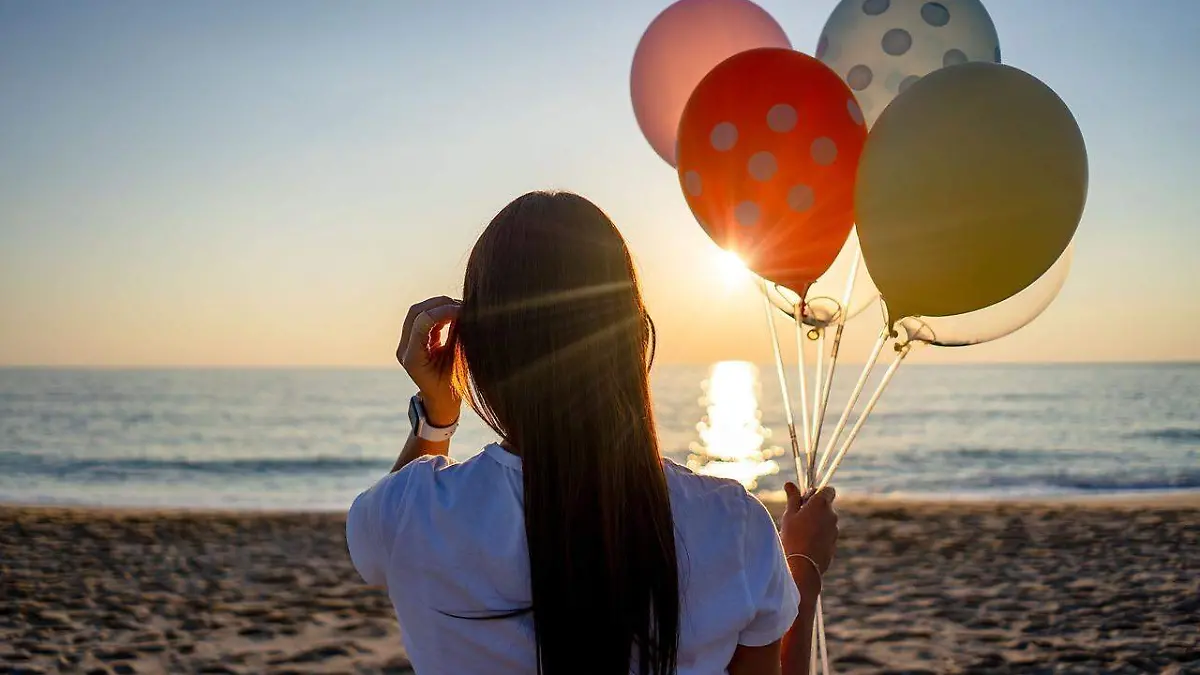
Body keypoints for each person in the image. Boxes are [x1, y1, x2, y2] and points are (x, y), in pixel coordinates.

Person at [346, 191, 839, 675]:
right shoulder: (734, 526)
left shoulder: (408, 512)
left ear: (474, 349)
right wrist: (802, 570)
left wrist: (437, 414)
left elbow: (373, 550)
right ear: (634, 338)